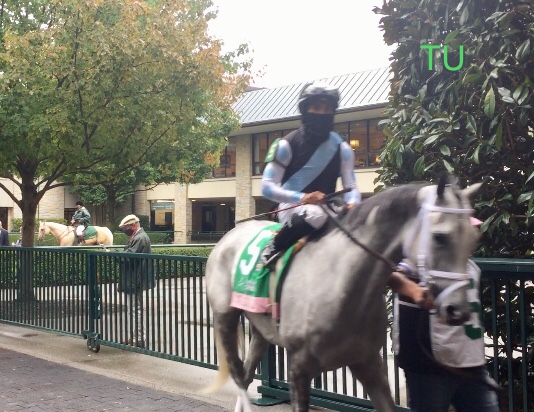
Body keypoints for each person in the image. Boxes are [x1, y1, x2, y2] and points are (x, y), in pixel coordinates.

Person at [394, 218, 500, 412]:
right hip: (431, 366)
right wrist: (413, 290)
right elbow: (399, 272)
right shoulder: (421, 261)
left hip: (471, 362)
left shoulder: (470, 268)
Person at [260, 82, 361, 266]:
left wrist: (354, 204)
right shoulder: (286, 144)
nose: (322, 113)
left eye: (327, 109)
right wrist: (304, 197)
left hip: (327, 207)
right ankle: (274, 247)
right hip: (291, 207)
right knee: (315, 214)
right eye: (316, 107)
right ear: (305, 110)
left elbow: (351, 187)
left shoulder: (343, 149)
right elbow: (266, 188)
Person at [117, 214, 154, 348]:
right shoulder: (137, 236)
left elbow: (128, 256)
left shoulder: (140, 238)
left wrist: (115, 255)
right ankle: (135, 337)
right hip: (133, 278)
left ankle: (138, 339)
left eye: (126, 227)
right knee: (132, 309)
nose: (125, 230)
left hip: (135, 279)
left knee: (135, 309)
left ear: (133, 225)